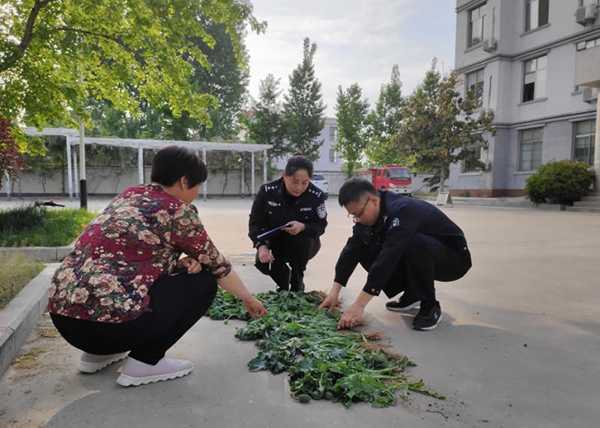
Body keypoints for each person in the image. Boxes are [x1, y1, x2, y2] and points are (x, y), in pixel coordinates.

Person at [48, 145, 267, 387]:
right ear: (184, 181)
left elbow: (133, 257)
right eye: (197, 185)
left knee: (147, 281)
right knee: (204, 281)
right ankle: (145, 361)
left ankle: (97, 355)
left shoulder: (129, 195)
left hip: (65, 322)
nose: (197, 192)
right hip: (111, 329)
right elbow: (218, 266)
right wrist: (247, 298)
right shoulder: (176, 210)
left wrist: (178, 263)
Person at [320, 178, 472, 331]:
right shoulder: (371, 215)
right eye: (353, 215)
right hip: (424, 253)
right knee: (365, 246)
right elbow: (351, 250)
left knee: (413, 244)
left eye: (358, 214)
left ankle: (429, 306)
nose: (357, 219)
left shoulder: (403, 209)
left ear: (373, 200)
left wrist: (359, 305)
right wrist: (335, 291)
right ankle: (413, 294)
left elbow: (389, 255)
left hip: (453, 259)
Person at [248, 156, 328, 292]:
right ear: (284, 176)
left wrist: (303, 226)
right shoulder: (267, 192)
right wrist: (261, 246)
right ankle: (283, 283)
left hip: (303, 244)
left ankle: (298, 281)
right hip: (273, 240)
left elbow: (321, 226)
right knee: (263, 263)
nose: (299, 187)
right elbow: (255, 222)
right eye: (295, 181)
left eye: (305, 182)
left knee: (301, 241)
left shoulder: (316, 196)